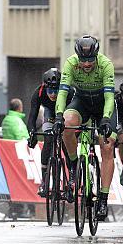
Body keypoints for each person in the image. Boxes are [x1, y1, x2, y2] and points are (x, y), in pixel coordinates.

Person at [55, 35, 117, 221]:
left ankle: (103, 199)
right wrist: (58, 115)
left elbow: (109, 97)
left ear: (96, 56)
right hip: (81, 101)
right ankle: (74, 166)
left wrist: (106, 119)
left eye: (90, 60)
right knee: (66, 124)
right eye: (83, 60)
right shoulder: (70, 64)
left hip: (102, 106)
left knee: (106, 146)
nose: (87, 64)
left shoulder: (106, 65)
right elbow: (63, 91)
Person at [27, 68, 74, 197]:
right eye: (50, 90)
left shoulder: (69, 93)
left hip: (65, 111)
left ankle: (71, 179)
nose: (53, 94)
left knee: (66, 142)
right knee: (48, 140)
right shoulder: (39, 93)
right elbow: (32, 116)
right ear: (45, 86)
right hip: (49, 112)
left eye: (56, 91)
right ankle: (44, 181)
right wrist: (31, 134)